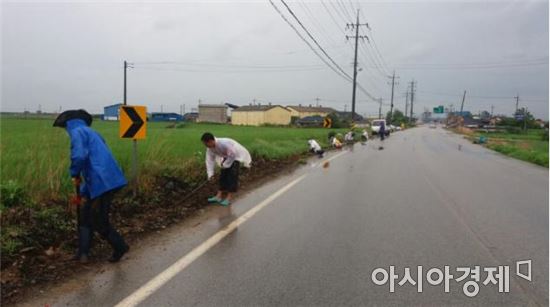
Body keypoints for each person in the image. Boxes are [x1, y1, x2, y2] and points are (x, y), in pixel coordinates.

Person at [53, 110, 129, 263]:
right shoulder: (92, 132)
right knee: (85, 215)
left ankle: (120, 246)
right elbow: (95, 162)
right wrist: (83, 192)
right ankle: (83, 253)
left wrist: (74, 172)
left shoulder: (77, 132)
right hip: (105, 179)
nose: (65, 131)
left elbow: (80, 156)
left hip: (104, 182)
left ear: (68, 124)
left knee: (98, 220)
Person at [201, 132, 252, 206]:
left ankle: (228, 198)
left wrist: (225, 164)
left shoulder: (224, 143)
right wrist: (210, 175)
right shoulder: (210, 149)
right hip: (226, 156)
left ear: (211, 141)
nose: (205, 146)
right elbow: (209, 161)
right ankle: (218, 196)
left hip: (236, 156)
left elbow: (232, 155)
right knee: (223, 176)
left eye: (206, 144)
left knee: (232, 177)